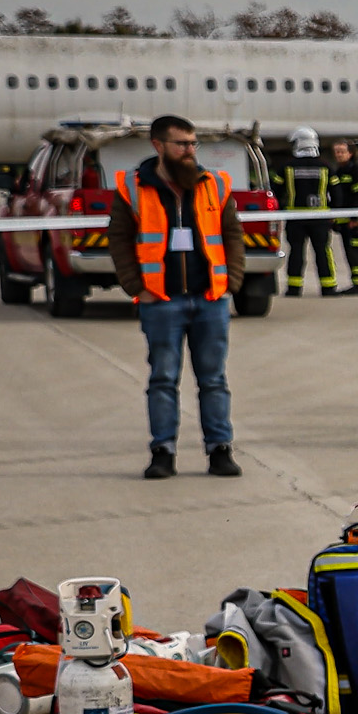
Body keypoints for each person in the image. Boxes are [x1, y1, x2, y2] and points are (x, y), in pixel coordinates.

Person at [109, 116, 242, 482]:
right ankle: (163, 452)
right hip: (161, 301)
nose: (189, 150)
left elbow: (232, 233)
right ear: (159, 146)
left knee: (214, 379)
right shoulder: (133, 188)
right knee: (163, 379)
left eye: (193, 143)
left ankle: (220, 450)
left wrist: (232, 280)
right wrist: (136, 287)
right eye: (182, 143)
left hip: (210, 299)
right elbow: (119, 240)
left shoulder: (212, 184)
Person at [319, 138, 358, 295]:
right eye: (337, 152)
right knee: (350, 252)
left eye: (342, 152)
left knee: (356, 253)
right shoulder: (340, 171)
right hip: (344, 221)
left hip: (355, 222)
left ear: (351, 153)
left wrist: (356, 218)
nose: (339, 155)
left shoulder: (357, 171)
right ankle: (357, 282)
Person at [280, 128, 328, 296]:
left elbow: (276, 189)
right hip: (320, 217)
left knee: (296, 252)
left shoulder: (287, 167)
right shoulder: (325, 166)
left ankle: (294, 288)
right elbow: (336, 192)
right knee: (322, 252)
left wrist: (279, 210)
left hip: (296, 217)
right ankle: (328, 287)